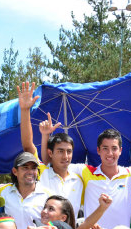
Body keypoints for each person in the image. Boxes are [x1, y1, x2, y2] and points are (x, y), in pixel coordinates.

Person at [18, 82, 83, 215]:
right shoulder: (41, 173)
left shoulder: (80, 176)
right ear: (50, 153)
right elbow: (28, 146)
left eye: (69, 151)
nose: (65, 156)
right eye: (60, 151)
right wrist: (25, 110)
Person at [0, 152, 53, 229]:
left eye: (33, 168)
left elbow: (54, 223)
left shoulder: (47, 195)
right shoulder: (4, 190)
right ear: (15, 171)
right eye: (25, 168)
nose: (30, 172)